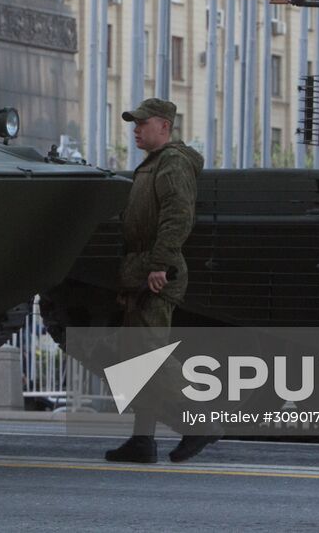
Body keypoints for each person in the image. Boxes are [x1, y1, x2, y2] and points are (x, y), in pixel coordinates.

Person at [104, 98, 220, 464]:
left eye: (142, 123)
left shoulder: (172, 162)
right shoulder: (153, 164)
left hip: (156, 270)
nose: (136, 129)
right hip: (142, 268)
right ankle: (142, 439)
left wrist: (160, 263)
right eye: (134, 124)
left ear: (165, 127)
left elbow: (178, 214)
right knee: (135, 360)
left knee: (149, 358)